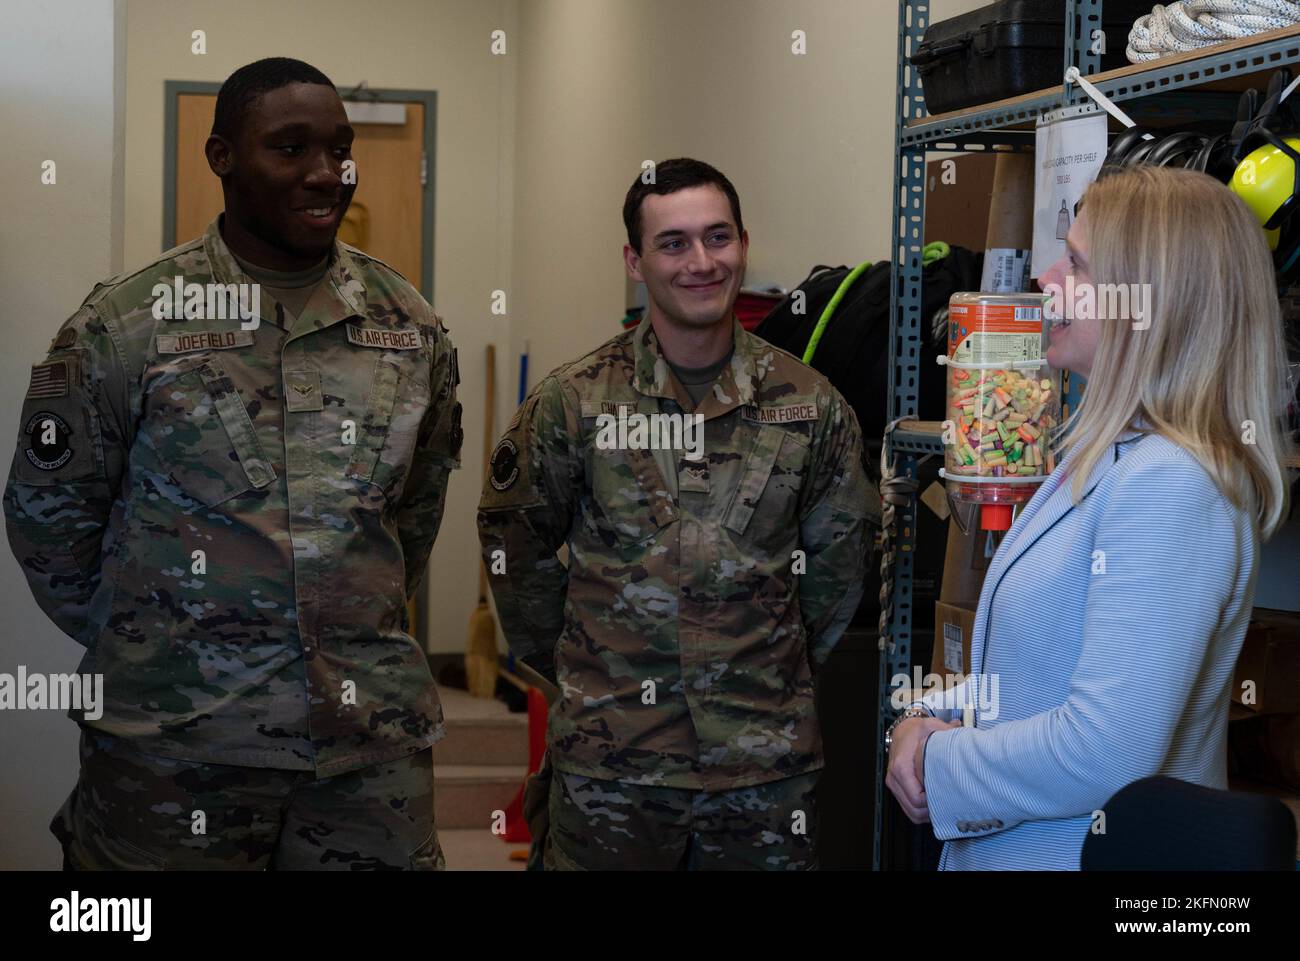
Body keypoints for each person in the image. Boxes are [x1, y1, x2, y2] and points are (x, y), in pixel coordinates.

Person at [4, 57, 462, 870]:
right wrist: (158, 640)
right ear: (222, 157)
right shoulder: (130, 322)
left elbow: (410, 515)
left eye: (339, 149)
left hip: (363, 751)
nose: (326, 174)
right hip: (173, 748)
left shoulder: (408, 323)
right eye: (290, 149)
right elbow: (50, 521)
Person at [885, 165, 1295, 870]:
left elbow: (1105, 748)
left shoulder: (1172, 483)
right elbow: (1041, 675)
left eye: (1075, 261)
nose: (1046, 277)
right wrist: (932, 717)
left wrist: (943, 760)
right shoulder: (1112, 456)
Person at [478, 157, 876, 870]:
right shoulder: (576, 403)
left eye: (717, 238)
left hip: (761, 772)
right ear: (635, 261)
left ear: (744, 243)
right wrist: (584, 662)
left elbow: (840, 566)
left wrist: (760, 665)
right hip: (611, 769)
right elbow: (515, 544)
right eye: (674, 243)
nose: (701, 262)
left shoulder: (810, 407)